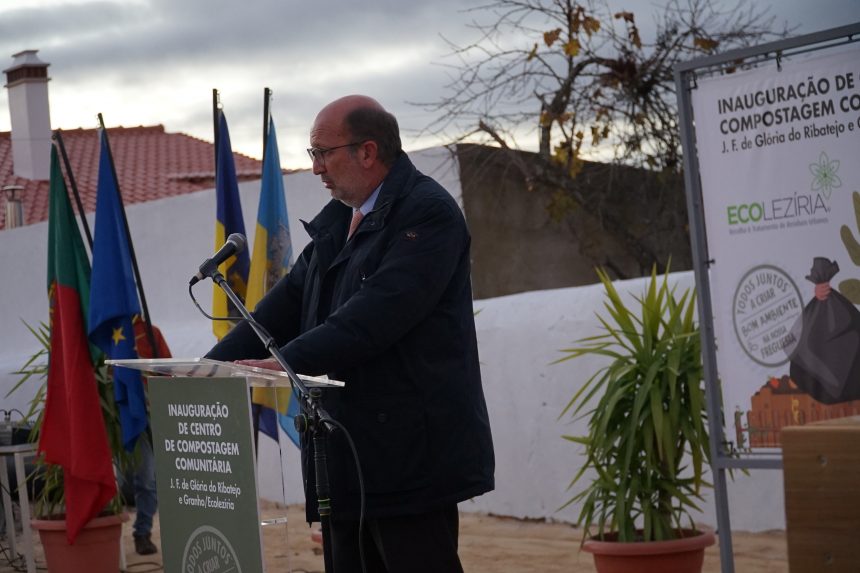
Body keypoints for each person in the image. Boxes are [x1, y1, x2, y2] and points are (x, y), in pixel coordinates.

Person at [206, 95, 495, 573]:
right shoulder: (338, 222)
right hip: (343, 456)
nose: (316, 168)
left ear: (367, 151)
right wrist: (206, 367)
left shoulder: (427, 213)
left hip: (409, 460)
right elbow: (278, 311)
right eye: (312, 154)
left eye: (322, 152)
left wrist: (286, 363)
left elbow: (375, 314)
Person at [130, 315, 172, 556]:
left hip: (158, 412)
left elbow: (169, 369)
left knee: (163, 476)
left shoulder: (150, 332)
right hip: (129, 416)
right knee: (145, 477)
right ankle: (142, 532)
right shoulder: (109, 330)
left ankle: (148, 530)